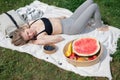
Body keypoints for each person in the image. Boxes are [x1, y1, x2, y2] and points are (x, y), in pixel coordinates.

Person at [11, 0, 103, 46]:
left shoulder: (31, 23)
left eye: (28, 33)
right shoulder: (39, 36)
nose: (31, 34)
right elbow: (59, 38)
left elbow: (49, 20)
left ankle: (95, 22)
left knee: (90, 1)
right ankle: (99, 25)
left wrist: (59, 17)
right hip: (72, 28)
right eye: (29, 37)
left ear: (24, 28)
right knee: (94, 6)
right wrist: (36, 41)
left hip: (69, 20)